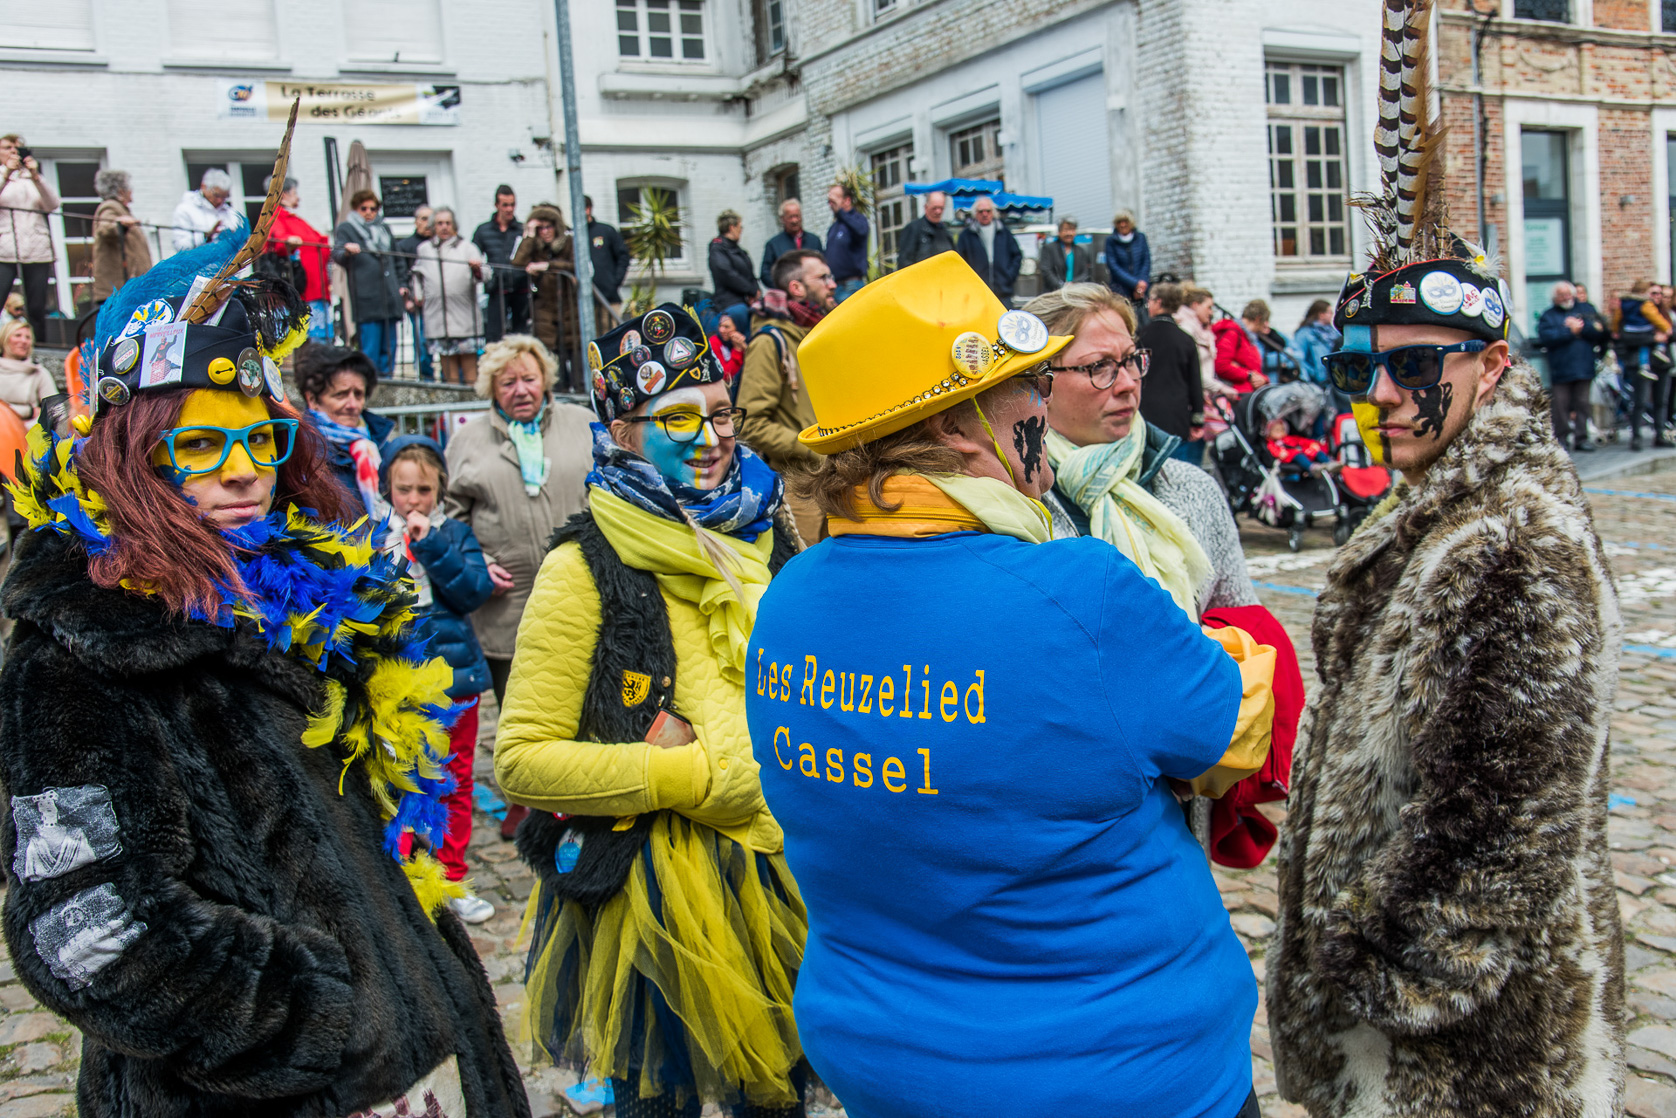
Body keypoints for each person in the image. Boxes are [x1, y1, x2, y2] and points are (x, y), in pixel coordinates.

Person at [0, 187, 530, 1116]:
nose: (244, 469)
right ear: (136, 459)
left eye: (259, 439)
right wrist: (316, 1023)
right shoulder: (80, 654)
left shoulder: (296, 593)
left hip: (416, 1064)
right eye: (202, 445)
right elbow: (86, 930)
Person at [746, 251, 1276, 1118]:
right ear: (961, 429)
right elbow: (1228, 724)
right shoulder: (1081, 590)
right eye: (1027, 390)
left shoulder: (790, 597)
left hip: (885, 1057)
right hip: (1118, 1067)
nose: (1042, 411)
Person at [1269, 8, 1625, 1112]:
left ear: (1489, 367)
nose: (1377, 393)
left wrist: (1391, 976)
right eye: (1363, 365)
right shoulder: (1441, 504)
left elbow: (1508, 813)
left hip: (1462, 1050)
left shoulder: (1514, 537)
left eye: (1411, 365)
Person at [497, 304, 807, 1115]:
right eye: (677, 419)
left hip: (787, 863)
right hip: (652, 893)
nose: (710, 439)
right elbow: (523, 759)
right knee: (654, 1096)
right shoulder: (582, 566)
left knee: (776, 1095)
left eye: (721, 414)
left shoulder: (767, 530)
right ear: (623, 434)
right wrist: (692, 774)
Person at [1028, 283, 1256, 617]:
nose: (1127, 384)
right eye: (1098, 366)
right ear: (1039, 381)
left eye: (1131, 360)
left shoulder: (1193, 488)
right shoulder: (1014, 504)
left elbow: (1244, 623)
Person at [377, 436, 498, 926]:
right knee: (404, 777)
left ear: (440, 490)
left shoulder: (454, 534)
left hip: (454, 684)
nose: (413, 500)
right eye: (404, 489)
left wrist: (430, 544)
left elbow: (473, 590)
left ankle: (451, 875)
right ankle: (405, 876)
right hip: (399, 682)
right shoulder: (373, 533)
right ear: (388, 486)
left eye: (424, 490)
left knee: (455, 777)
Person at [444, 335, 593, 713]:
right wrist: (477, 561)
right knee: (522, 715)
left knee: (588, 707)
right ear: (492, 389)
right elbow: (450, 516)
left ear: (545, 377)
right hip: (507, 609)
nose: (521, 391)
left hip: (586, 595)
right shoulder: (467, 441)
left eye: (529, 378)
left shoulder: (585, 425)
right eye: (508, 383)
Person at [737, 248, 837, 543]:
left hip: (834, 486)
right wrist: (816, 450)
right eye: (823, 277)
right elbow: (749, 422)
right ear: (796, 287)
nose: (832, 284)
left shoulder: (821, 338)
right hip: (798, 492)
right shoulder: (770, 343)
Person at [294, 341, 395, 521]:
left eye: (359, 394)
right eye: (340, 395)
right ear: (312, 399)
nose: (352, 405)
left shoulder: (379, 446)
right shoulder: (301, 454)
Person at [331, 189, 404, 376]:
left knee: (389, 347)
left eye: (373, 208)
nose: (369, 212)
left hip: (389, 295)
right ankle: (371, 382)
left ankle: (389, 381)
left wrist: (403, 285)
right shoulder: (347, 228)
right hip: (367, 297)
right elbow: (337, 254)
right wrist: (347, 251)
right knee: (370, 348)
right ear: (356, 208)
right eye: (364, 208)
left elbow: (398, 260)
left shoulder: (384, 229)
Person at [413, 207, 486, 386]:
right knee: (449, 377)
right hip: (438, 319)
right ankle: (454, 412)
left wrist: (477, 269)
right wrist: (418, 295)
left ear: (454, 226)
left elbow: (485, 274)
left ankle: (473, 409)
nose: (444, 227)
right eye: (439, 223)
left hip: (464, 318)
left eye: (448, 223)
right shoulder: (425, 249)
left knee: (470, 375)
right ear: (433, 226)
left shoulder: (467, 248)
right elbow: (417, 274)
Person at [1138, 283, 1207, 463]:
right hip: (1178, 418)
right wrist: (1197, 420)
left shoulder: (1140, 337)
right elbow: (1195, 383)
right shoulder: (1186, 340)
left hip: (1146, 416)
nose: (1148, 305)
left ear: (1159, 302)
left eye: (1150, 300)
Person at [512, 203, 579, 387]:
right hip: (545, 310)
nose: (545, 232)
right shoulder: (534, 246)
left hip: (569, 308)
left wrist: (548, 266)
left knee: (576, 357)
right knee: (551, 360)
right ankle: (557, 393)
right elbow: (517, 262)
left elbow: (577, 265)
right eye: (540, 228)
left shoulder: (569, 242)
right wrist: (529, 235)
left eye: (548, 226)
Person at [0, 135, 60, 341]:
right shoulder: (2, 175)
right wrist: (6, 172)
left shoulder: (32, 178)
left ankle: (39, 346)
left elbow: (52, 204)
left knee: (36, 306)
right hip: (5, 248)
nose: (13, 152)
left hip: (37, 248)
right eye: (8, 148)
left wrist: (36, 176)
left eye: (18, 148)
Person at [1538, 280, 1608, 452]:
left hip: (1584, 366)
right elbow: (1547, 337)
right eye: (1562, 295)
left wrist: (1581, 329)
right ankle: (1561, 438)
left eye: (1568, 294)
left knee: (1583, 403)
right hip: (1560, 368)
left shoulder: (1585, 310)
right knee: (1560, 405)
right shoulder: (1549, 315)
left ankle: (1581, 437)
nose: (1566, 298)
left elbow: (1599, 332)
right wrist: (1569, 332)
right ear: (1555, 298)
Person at [262, 175, 332, 342]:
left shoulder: (293, 219)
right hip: (302, 291)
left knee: (320, 340)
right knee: (310, 342)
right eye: (294, 193)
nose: (298, 197)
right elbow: (279, 241)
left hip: (315, 288)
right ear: (284, 194)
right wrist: (289, 242)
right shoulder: (276, 217)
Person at [1617, 276, 1673, 449]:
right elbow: (1625, 337)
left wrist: (1665, 335)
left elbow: (1671, 334)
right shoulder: (1633, 313)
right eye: (1653, 293)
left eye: (1659, 293)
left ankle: (1660, 434)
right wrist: (1652, 337)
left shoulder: (1662, 313)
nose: (1657, 296)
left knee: (1661, 401)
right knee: (1639, 401)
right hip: (1640, 363)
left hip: (1661, 363)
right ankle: (1636, 437)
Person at [473, 185, 527, 343]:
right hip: (497, 289)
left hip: (520, 288)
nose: (509, 209)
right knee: (494, 334)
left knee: (521, 334)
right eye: (505, 205)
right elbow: (474, 253)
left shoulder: (522, 229)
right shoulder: (483, 230)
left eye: (512, 204)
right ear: (496, 205)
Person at [90, 170, 150, 309]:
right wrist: (119, 222)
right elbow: (105, 228)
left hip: (124, 288)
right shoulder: (110, 206)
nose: (131, 191)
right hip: (118, 289)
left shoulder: (120, 208)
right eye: (129, 188)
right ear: (121, 191)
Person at [956, 195, 1023, 303]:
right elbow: (959, 262)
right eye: (981, 211)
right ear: (975, 214)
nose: (985, 214)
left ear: (993, 212)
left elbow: (1017, 256)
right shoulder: (966, 236)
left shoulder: (1004, 233)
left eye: (988, 211)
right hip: (976, 295)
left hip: (1003, 293)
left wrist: (1008, 276)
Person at [397, 205, 437, 380]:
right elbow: (401, 272)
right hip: (418, 302)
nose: (427, 224)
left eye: (430, 219)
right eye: (423, 219)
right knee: (422, 342)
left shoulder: (438, 245)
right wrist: (407, 299)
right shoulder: (405, 245)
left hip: (437, 301)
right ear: (416, 222)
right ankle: (425, 376)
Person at [759, 197, 822, 288]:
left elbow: (823, 266)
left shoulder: (814, 240)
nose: (794, 220)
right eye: (790, 217)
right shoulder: (773, 244)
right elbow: (765, 273)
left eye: (797, 216)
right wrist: (783, 288)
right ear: (782, 219)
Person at [169, 167, 235, 252]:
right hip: (200, 264)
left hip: (228, 264)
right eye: (217, 195)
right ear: (203, 187)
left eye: (224, 197)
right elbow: (181, 247)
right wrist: (206, 236)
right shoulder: (185, 210)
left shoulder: (230, 213)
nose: (220, 201)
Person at [584, 195, 631, 314]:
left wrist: (614, 282)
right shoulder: (572, 234)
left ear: (588, 209)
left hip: (609, 298)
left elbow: (623, 256)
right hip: (584, 301)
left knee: (612, 331)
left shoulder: (606, 231)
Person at [0, 320, 55, 419]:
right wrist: (28, 411)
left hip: (28, 429)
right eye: (17, 335)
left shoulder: (39, 373)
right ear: (4, 338)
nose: (24, 341)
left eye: (28, 337)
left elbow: (56, 412)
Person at [824, 182, 870, 302]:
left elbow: (861, 231)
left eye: (835, 199)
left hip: (852, 285)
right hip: (837, 285)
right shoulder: (834, 227)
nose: (831, 204)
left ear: (847, 200)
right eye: (830, 201)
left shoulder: (858, 219)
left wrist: (841, 212)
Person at [709, 209, 760, 308]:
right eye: (740, 227)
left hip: (746, 300)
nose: (741, 231)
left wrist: (755, 292)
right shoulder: (718, 248)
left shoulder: (739, 250)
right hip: (729, 302)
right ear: (732, 228)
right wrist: (751, 290)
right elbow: (727, 274)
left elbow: (750, 274)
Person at [894, 190, 955, 270]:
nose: (938, 211)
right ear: (926, 207)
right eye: (934, 208)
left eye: (941, 208)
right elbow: (904, 262)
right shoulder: (913, 229)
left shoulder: (946, 232)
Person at [1242, 299, 1300, 381]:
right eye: (1264, 321)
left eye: (1267, 321)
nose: (1266, 324)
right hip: (1267, 381)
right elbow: (1260, 360)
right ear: (1258, 319)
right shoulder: (1252, 337)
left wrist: (1286, 363)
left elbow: (1299, 354)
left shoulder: (1274, 333)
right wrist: (1286, 356)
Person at [1036, 215, 1094, 292]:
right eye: (1066, 230)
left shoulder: (1081, 251)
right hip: (1054, 292)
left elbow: (1085, 273)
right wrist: (1062, 286)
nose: (1069, 233)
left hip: (1075, 292)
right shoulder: (1049, 248)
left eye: (1072, 230)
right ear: (1059, 232)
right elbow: (1046, 270)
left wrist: (1073, 285)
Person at [1104, 209, 1151, 303]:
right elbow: (1114, 267)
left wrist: (1141, 284)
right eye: (1119, 222)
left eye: (1125, 222)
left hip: (1141, 287)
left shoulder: (1141, 238)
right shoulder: (1110, 241)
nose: (1122, 225)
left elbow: (1146, 262)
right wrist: (1135, 283)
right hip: (1120, 288)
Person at [1292, 299, 1341, 388]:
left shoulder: (1334, 333)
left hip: (1333, 381)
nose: (1332, 315)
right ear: (1321, 315)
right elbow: (1299, 358)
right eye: (1329, 312)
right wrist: (1312, 374)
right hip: (1316, 384)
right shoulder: (1304, 333)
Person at [710, 306, 747, 387]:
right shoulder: (714, 342)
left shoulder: (748, 341)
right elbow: (725, 375)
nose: (721, 330)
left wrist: (745, 348)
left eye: (727, 327)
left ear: (738, 327)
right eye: (720, 325)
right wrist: (737, 350)